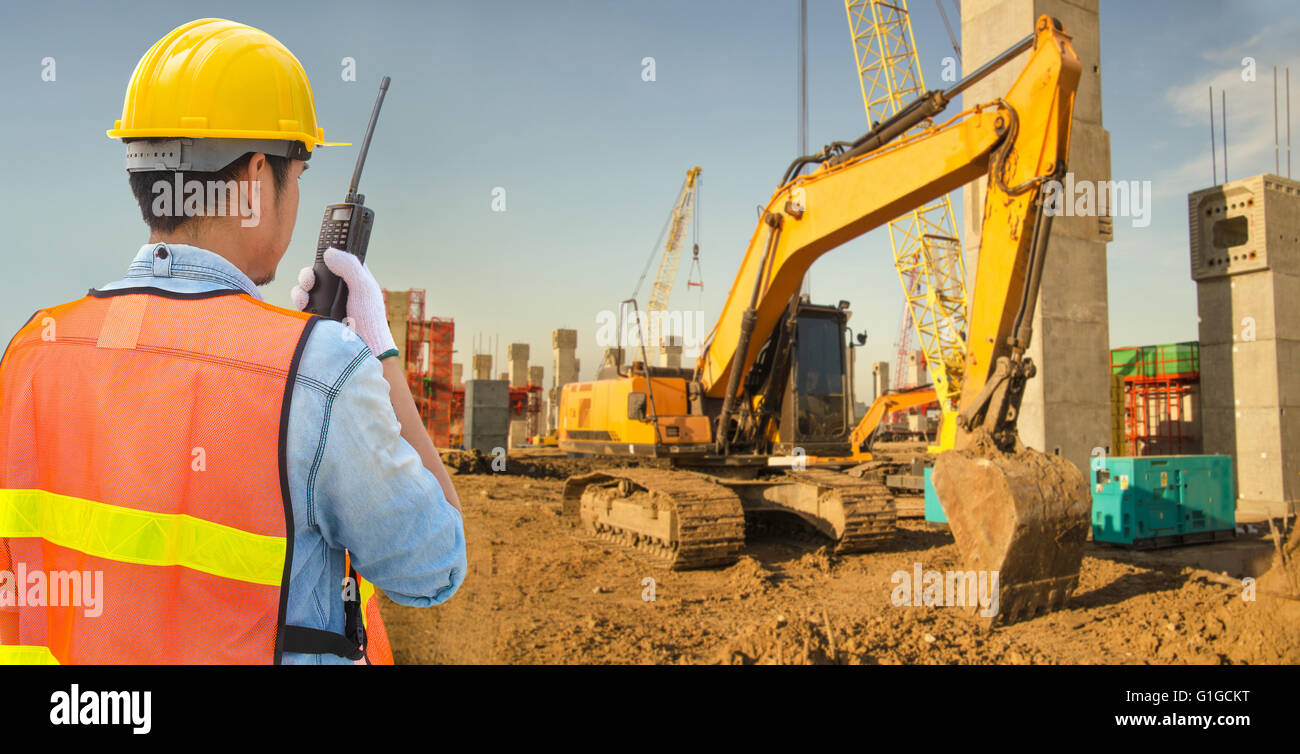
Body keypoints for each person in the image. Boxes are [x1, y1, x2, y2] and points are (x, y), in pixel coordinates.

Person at [0, 18, 465, 665]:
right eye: (298, 173)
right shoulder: (321, 371)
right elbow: (433, 566)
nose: (299, 196)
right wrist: (378, 363)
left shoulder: (31, 352)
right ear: (253, 177)